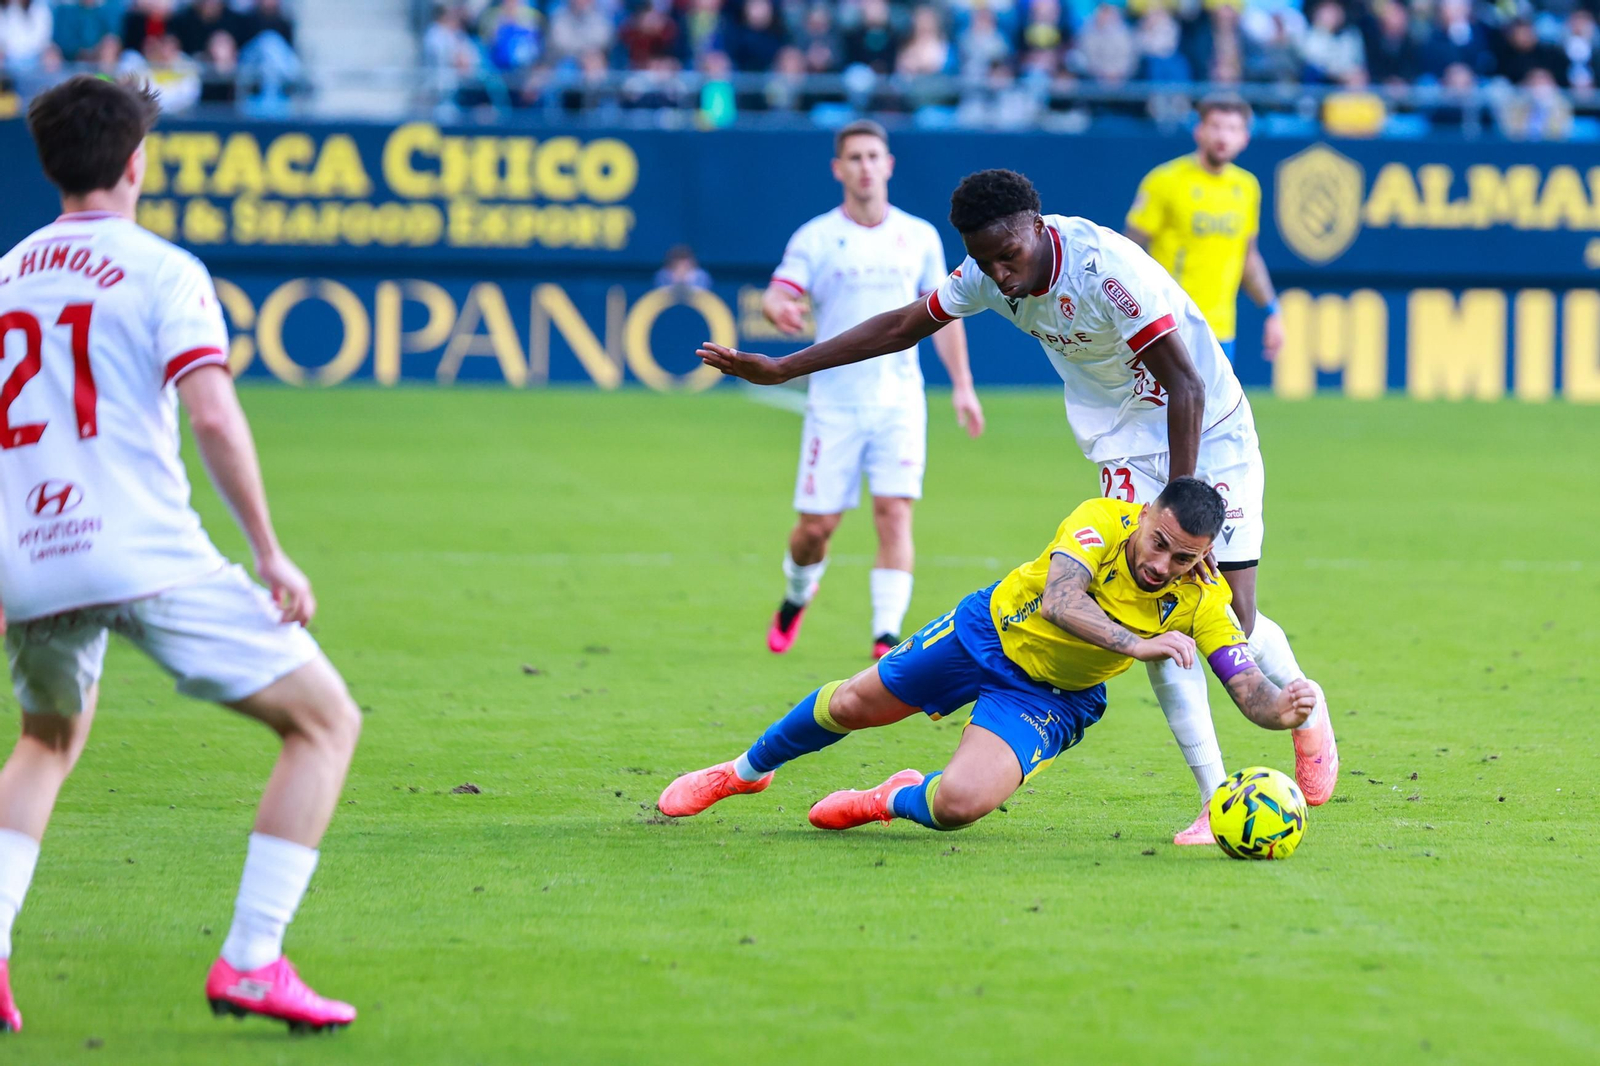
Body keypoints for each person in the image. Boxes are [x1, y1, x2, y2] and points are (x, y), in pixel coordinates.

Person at [696, 167, 1340, 843]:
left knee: (1233, 613)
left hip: (1208, 426)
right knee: (1153, 606)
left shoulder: (1105, 269)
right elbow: (901, 325)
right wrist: (784, 366)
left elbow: (1184, 384)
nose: (1000, 276)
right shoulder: (986, 271)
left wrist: (1175, 511)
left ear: (1038, 226)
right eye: (984, 261)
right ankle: (1215, 797)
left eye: (1009, 257)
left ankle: (1307, 705)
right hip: (1122, 437)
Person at [0, 76, 359, 1035]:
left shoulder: (6, 275)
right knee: (325, 723)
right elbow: (211, 412)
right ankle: (252, 960)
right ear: (134, 163)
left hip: (29, 557)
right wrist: (271, 554)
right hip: (143, 550)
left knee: (44, 740)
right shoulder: (163, 269)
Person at [660, 480, 1319, 834]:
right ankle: (743, 770)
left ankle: (890, 798)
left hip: (1050, 697)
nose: (1161, 564)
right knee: (854, 705)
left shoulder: (1202, 599)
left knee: (957, 807)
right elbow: (1062, 599)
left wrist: (1284, 712)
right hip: (987, 632)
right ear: (1144, 514)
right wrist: (1139, 644)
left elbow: (1246, 688)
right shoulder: (1099, 519)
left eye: (1183, 557)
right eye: (1159, 542)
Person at [760, 120, 985, 662]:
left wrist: (962, 385)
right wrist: (780, 308)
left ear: (888, 165)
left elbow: (946, 315)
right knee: (816, 529)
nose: (864, 166)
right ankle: (796, 593)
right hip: (834, 403)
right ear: (839, 169)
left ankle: (885, 637)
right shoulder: (816, 236)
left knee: (894, 512)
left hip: (899, 401)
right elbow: (777, 291)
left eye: (873, 156)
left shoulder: (919, 236)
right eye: (854, 158)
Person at [1124, 94, 1282, 365]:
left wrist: (1273, 312)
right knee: (1165, 407)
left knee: (1214, 408)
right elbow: (1128, 252)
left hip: (1221, 330)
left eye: (1232, 129)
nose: (1223, 136)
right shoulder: (1165, 180)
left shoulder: (1246, 187)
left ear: (1244, 138)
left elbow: (1249, 258)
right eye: (1216, 126)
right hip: (1169, 325)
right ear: (1199, 131)